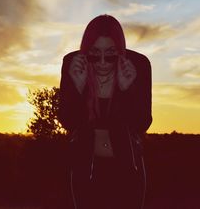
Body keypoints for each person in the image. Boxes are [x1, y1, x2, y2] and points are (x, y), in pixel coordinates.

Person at [58, 14, 152, 209]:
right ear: (86, 52)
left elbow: (142, 123)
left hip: (128, 167)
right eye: (94, 54)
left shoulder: (139, 65)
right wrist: (78, 87)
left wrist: (128, 90)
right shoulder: (73, 65)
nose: (102, 62)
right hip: (84, 167)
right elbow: (68, 121)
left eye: (110, 54)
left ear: (120, 51)